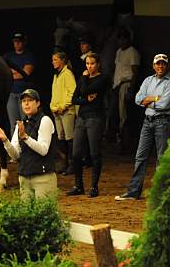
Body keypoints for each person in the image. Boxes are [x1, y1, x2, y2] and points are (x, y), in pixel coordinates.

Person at [115, 53, 170, 201]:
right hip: (147, 121)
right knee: (140, 157)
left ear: (167, 65)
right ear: (153, 65)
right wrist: (155, 98)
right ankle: (134, 191)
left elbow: (165, 104)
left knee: (162, 158)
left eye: (163, 63)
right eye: (158, 63)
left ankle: (161, 193)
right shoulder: (148, 80)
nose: (160, 66)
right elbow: (137, 99)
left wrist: (148, 100)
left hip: (163, 121)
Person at [0, 89, 57, 199]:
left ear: (38, 103)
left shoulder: (45, 120)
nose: (26, 103)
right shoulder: (20, 124)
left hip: (43, 178)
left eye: (30, 100)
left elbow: (43, 150)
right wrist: (5, 140)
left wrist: (25, 137)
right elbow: (16, 156)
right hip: (24, 178)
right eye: (24, 101)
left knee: (43, 214)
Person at [66, 52, 111, 198]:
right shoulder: (83, 78)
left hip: (95, 118)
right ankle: (78, 186)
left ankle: (93, 186)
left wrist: (85, 80)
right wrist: (87, 100)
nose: (89, 66)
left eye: (92, 63)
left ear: (98, 64)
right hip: (82, 117)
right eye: (87, 64)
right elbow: (74, 99)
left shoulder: (103, 78)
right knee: (76, 154)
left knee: (94, 154)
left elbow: (84, 91)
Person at [107, 28, 140, 146]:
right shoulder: (119, 51)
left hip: (126, 84)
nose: (121, 41)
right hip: (117, 85)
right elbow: (116, 69)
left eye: (124, 38)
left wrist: (131, 90)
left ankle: (126, 144)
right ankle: (118, 141)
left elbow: (135, 73)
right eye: (120, 39)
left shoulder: (132, 52)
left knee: (124, 116)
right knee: (114, 115)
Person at [3, 32, 36, 136]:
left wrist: (12, 72)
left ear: (24, 42)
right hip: (11, 93)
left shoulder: (28, 55)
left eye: (19, 42)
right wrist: (18, 71)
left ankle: (26, 147)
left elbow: (26, 73)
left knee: (25, 122)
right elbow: (4, 72)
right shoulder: (8, 56)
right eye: (15, 42)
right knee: (13, 123)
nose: (17, 44)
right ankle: (15, 148)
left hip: (24, 94)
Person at [49, 51, 76, 175]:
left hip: (66, 111)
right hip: (57, 112)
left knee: (69, 138)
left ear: (62, 60)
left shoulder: (67, 74)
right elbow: (55, 93)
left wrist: (64, 106)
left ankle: (73, 164)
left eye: (55, 60)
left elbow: (72, 93)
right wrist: (53, 106)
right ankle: (65, 164)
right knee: (61, 138)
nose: (53, 62)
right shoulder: (56, 75)